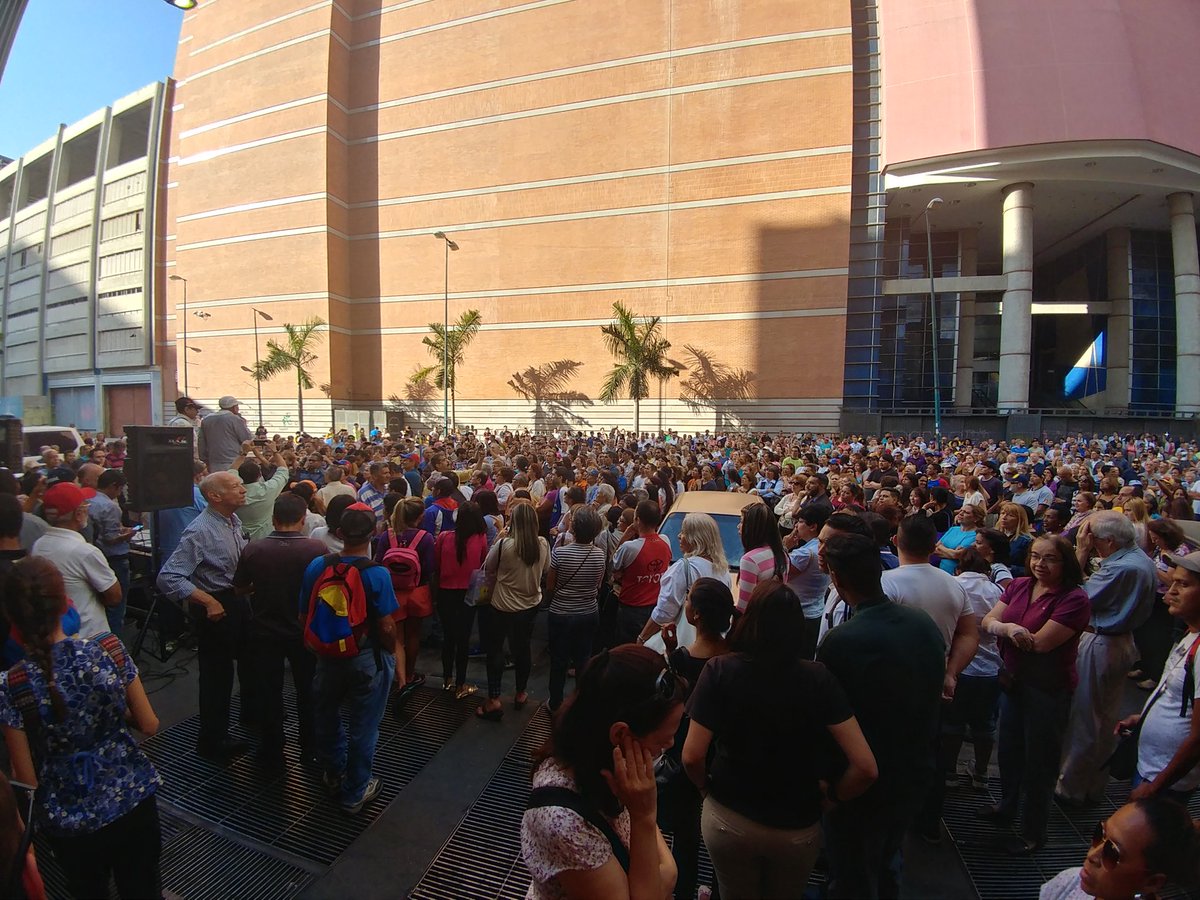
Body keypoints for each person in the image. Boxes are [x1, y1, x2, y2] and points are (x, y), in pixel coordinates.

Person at [683, 579, 878, 900]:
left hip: (730, 816)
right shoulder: (819, 679)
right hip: (797, 824)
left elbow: (692, 756)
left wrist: (706, 788)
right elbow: (866, 768)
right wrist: (833, 799)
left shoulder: (720, 670)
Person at [0, 557, 162, 900]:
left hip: (67, 816)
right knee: (144, 887)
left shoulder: (12, 683)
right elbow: (149, 724)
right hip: (132, 795)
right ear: (65, 603)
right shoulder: (109, 649)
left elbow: (26, 778)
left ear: (12, 618)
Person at [817, 532, 946, 899]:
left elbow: (829, 719)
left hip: (863, 781)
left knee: (852, 871)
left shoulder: (842, 641)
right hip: (914, 771)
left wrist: (835, 790)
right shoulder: (922, 624)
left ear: (837, 580)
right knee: (888, 857)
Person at [521, 644, 682, 900]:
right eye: (661, 741)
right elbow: (658, 879)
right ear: (620, 733)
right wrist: (643, 816)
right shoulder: (561, 821)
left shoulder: (609, 767)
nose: (669, 746)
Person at [978, 534, 1091, 854]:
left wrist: (1003, 628)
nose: (1040, 564)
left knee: (1040, 761)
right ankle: (1007, 806)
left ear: (1065, 562)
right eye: (1035, 556)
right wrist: (1009, 629)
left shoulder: (1073, 599)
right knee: (1010, 749)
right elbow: (989, 621)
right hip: (1013, 681)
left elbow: (1041, 643)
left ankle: (1033, 832)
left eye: (1049, 559)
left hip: (1048, 690)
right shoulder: (1019, 586)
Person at [299, 505, 399, 814]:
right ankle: (356, 789)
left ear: (339, 533)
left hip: (327, 655)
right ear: (374, 533)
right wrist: (390, 652)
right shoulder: (377, 573)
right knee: (364, 725)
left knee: (326, 715)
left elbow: (304, 613)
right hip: (366, 658)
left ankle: (332, 771)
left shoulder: (317, 566)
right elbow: (386, 623)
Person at [1057, 512, 1159, 806]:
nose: (1091, 543)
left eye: (1094, 539)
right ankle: (1091, 783)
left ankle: (1071, 786)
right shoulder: (1137, 559)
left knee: (1087, 717)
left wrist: (1080, 551)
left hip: (1103, 640)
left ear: (1108, 540)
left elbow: (1074, 597)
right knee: (1102, 716)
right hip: (1119, 640)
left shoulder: (1121, 568)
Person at [156, 471, 251, 761]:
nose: (243, 489)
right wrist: (207, 600)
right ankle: (213, 740)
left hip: (236, 602)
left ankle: (250, 717)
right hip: (216, 607)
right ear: (215, 496)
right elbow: (168, 577)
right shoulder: (200, 531)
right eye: (236, 486)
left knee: (249, 662)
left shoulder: (233, 520)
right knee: (217, 676)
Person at [233, 494, 327, 768]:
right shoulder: (316, 550)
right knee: (308, 690)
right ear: (302, 520)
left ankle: (272, 746)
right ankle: (309, 746)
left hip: (264, 631)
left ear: (274, 519)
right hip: (303, 631)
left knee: (269, 691)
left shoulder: (254, 549)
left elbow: (239, 589)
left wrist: (261, 586)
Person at [658, 577, 732, 900]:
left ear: (697, 615)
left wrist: (672, 652)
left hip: (685, 760)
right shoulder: (733, 658)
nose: (684, 603)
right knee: (721, 841)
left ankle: (684, 891)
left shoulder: (681, 660)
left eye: (687, 599)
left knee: (686, 837)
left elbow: (672, 705)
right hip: (723, 758)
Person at [1117, 551, 1200, 804]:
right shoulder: (1191, 633)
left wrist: (1156, 787)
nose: (1170, 591)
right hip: (1151, 768)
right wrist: (1144, 718)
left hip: (1163, 780)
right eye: (1173, 581)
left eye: (1183, 584)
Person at [1039, 797, 1200, 900]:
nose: (1092, 855)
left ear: (1152, 882)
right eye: (1100, 833)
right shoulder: (1070, 881)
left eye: (1112, 852)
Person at [477, 503, 549, 720]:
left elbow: (487, 568)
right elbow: (546, 570)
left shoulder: (504, 546)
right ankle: (521, 692)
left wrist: (498, 538)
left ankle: (494, 699)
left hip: (502, 605)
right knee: (522, 648)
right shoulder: (542, 544)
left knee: (496, 649)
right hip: (529, 605)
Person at [945, 548, 1005, 791]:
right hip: (990, 665)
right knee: (985, 724)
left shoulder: (953, 585)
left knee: (953, 722)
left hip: (959, 663)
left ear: (959, 568)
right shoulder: (998, 590)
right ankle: (981, 773)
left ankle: (949, 771)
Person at [31, 482, 120, 639]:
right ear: (78, 513)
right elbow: (114, 596)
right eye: (85, 505)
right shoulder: (84, 551)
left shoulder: (38, 544)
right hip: (90, 637)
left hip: (59, 635)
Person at [636, 513, 731, 647]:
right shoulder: (723, 570)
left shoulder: (683, 568)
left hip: (682, 646)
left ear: (695, 538)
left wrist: (642, 637)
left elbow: (665, 612)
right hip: (712, 645)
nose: (679, 536)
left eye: (684, 532)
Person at [546, 507, 607, 712]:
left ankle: (555, 702)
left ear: (574, 527)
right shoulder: (599, 555)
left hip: (561, 612)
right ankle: (580, 701)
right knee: (583, 659)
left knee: (558, 660)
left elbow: (550, 585)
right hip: (588, 612)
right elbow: (598, 585)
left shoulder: (560, 553)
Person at [375, 497, 436, 692]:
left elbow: (378, 562)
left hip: (393, 592)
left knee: (396, 637)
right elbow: (429, 567)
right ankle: (409, 673)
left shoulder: (387, 535)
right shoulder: (425, 538)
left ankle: (396, 675)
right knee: (414, 635)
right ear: (420, 517)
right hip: (417, 591)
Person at [433, 501, 489, 699]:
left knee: (448, 637)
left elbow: (437, 564)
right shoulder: (481, 538)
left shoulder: (443, 537)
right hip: (468, 594)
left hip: (445, 592)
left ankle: (446, 679)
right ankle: (460, 683)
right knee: (463, 639)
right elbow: (484, 563)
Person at [610, 500, 673, 645]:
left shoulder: (629, 547)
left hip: (631, 608)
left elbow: (614, 565)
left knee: (626, 647)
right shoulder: (665, 541)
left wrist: (626, 535)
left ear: (637, 520)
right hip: (656, 607)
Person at [86, 468, 136, 633]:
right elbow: (110, 538)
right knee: (116, 605)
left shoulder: (88, 500)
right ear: (114, 486)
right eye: (120, 489)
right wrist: (127, 535)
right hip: (114, 557)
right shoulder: (110, 506)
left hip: (96, 554)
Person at [783, 505, 831, 658]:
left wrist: (785, 547)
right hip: (817, 610)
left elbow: (781, 574)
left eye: (801, 522)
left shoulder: (805, 553)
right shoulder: (822, 547)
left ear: (813, 526)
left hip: (800, 614)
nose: (796, 526)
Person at [736, 501, 788, 612]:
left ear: (751, 528)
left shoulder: (750, 560)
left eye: (741, 522)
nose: (738, 526)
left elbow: (744, 606)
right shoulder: (783, 554)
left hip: (756, 623)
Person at [232, 442, 290, 541]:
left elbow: (232, 470)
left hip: (237, 538)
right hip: (264, 539)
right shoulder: (268, 490)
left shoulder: (231, 491)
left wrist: (244, 453)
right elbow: (283, 470)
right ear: (259, 475)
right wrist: (275, 451)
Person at [198, 395, 252, 473]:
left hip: (213, 461)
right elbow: (246, 438)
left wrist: (204, 459)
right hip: (233, 460)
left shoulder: (206, 419)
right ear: (234, 407)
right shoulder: (235, 419)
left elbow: (201, 441)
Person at [935, 502, 985, 574]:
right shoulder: (953, 529)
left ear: (976, 518)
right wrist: (952, 552)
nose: (961, 513)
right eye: (961, 510)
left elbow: (959, 555)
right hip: (941, 571)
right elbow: (936, 549)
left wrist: (942, 548)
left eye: (966, 512)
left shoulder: (977, 535)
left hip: (959, 574)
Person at [997, 501, 1034, 577]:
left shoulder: (1027, 541)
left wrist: (1009, 568)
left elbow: (1029, 569)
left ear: (1019, 519)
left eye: (1010, 515)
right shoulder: (993, 536)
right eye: (1002, 513)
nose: (1004, 517)